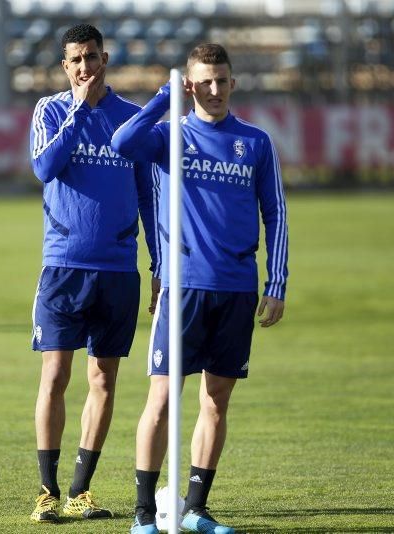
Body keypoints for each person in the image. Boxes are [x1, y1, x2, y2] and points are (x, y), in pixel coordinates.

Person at [111, 43, 289, 534]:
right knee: (163, 398)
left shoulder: (255, 142)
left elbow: (275, 213)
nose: (215, 89)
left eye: (223, 79)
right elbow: (122, 142)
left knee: (217, 400)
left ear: (233, 82)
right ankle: (144, 513)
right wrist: (162, 100)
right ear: (190, 84)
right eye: (204, 81)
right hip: (183, 289)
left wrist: (276, 283)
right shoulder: (168, 135)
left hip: (236, 289)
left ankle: (194, 509)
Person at [28, 23, 159, 524]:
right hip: (63, 265)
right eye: (75, 60)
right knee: (56, 374)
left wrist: (158, 264)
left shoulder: (132, 119)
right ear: (65, 66)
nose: (85, 67)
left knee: (103, 378)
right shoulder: (51, 110)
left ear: (105, 57)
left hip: (118, 269)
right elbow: (44, 167)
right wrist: (80, 113)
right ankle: (47, 491)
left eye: (92, 57)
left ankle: (81, 491)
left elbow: (149, 196)